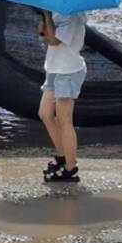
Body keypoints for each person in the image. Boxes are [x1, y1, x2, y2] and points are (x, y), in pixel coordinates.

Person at [38, 11, 87, 182]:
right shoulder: (58, 13)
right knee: (45, 114)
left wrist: (46, 16)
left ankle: (70, 167)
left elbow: (54, 40)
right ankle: (62, 155)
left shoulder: (73, 15)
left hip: (68, 71)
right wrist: (45, 21)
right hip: (53, 68)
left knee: (64, 119)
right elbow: (44, 35)